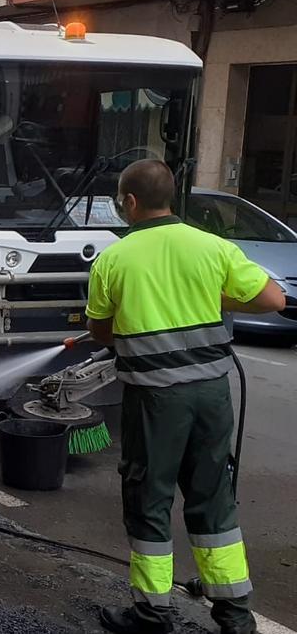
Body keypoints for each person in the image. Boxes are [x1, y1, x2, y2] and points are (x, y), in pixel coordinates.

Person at [86, 160, 284, 634]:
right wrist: (214, 296)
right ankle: (236, 618)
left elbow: (100, 331)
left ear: (129, 202)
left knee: (149, 499)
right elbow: (274, 299)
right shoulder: (212, 247)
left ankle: (153, 614)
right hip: (212, 396)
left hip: (156, 401)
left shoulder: (115, 258)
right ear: (170, 198)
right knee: (213, 500)